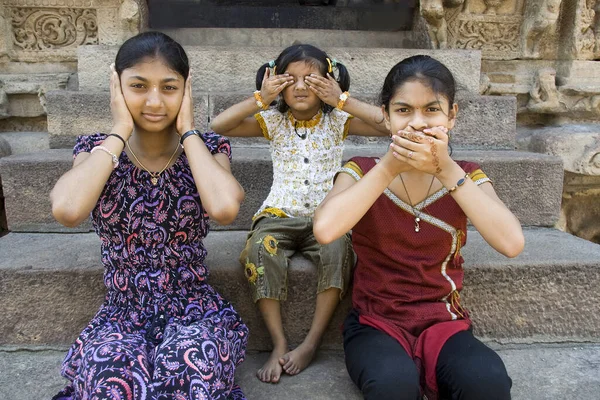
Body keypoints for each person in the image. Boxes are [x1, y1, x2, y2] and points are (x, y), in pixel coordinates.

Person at [50, 32, 248, 400]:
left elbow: (224, 208)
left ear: (186, 89)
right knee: (111, 386)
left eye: (169, 87)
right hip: (122, 313)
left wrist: (188, 131)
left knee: (188, 377)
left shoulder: (208, 148)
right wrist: (120, 129)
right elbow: (67, 209)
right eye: (138, 86)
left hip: (194, 311)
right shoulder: (97, 150)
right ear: (117, 86)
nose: (154, 101)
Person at [313, 55, 524, 400]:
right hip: (375, 322)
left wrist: (445, 169)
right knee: (392, 387)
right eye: (403, 110)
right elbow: (325, 229)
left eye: (431, 110)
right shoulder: (362, 169)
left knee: (488, 383)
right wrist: (388, 168)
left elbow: (512, 243)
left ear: (451, 115)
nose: (417, 123)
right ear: (385, 114)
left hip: (443, 323)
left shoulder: (466, 175)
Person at [210, 44, 388, 383]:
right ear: (276, 83)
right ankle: (278, 342)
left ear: (329, 83)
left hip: (327, 217)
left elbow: (389, 126)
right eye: (290, 80)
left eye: (313, 79)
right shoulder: (272, 121)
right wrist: (260, 98)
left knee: (338, 250)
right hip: (277, 214)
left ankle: (311, 342)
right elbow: (220, 125)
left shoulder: (339, 121)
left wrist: (342, 100)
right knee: (259, 250)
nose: (302, 87)